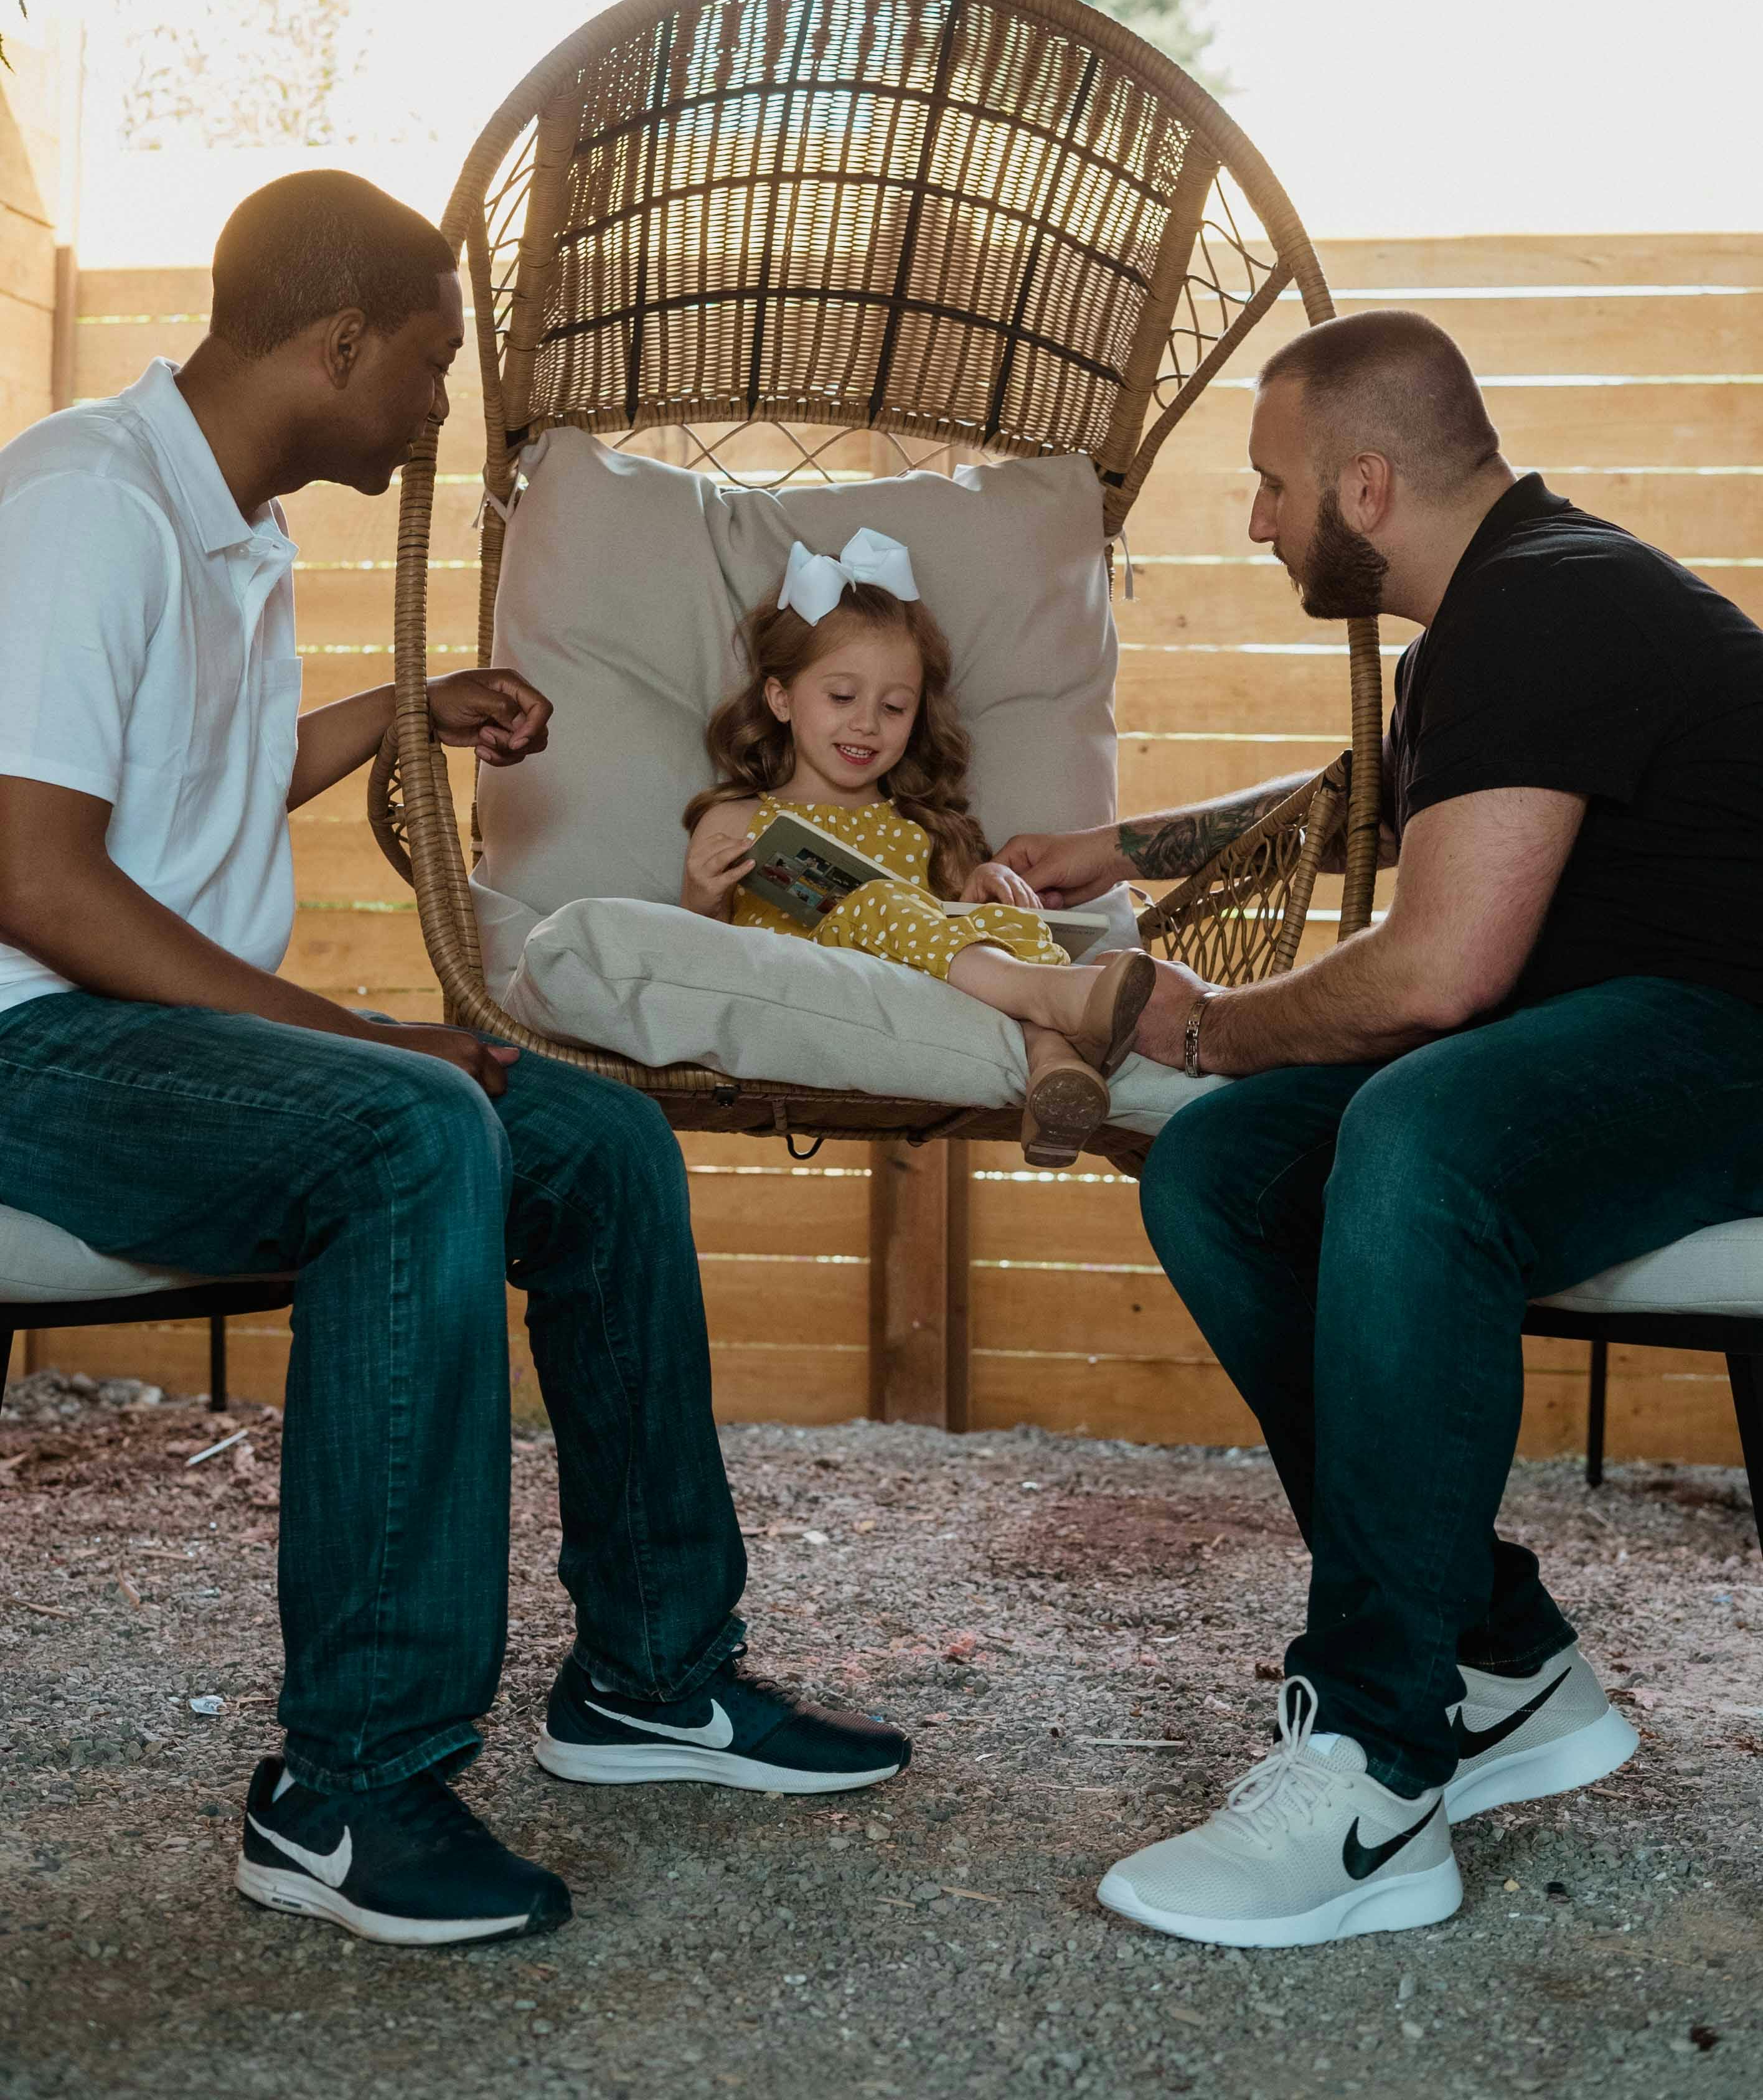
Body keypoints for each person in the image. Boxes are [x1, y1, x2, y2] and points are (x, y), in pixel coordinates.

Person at [0, 170, 908, 1952]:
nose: (437, 406)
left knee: (594, 1138)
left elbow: (186, 792)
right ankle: (349, 1791)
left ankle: (653, 1674)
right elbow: (31, 871)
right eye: (424, 365)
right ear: (337, 342)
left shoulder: (229, 528)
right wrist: (352, 1037)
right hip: (29, 1046)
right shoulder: (83, 510)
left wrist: (397, 717)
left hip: (138, 1038)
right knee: (418, 1125)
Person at [999, 308, 1763, 1947]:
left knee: (1412, 1132)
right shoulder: (1510, 614)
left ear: (1362, 485)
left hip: (1740, 1039)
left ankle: (1375, 1765)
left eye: (1270, 488)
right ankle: (1502, 1657)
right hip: (1630, 1039)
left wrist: (1202, 1025)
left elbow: (1433, 979)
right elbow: (1380, 785)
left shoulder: (1544, 607)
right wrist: (1122, 841)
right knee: (1224, 1166)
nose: (1254, 523)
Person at [679, 532, 1154, 1165]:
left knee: (1005, 919)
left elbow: (941, 933)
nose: (867, 723)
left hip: (924, 1004)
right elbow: (699, 958)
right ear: (781, 698)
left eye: (894, 706)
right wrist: (702, 897)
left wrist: (982, 887)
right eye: (842, 697)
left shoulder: (919, 828)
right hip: (816, 993)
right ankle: (1062, 995)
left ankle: (1054, 1075)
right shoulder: (738, 821)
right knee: (880, 903)